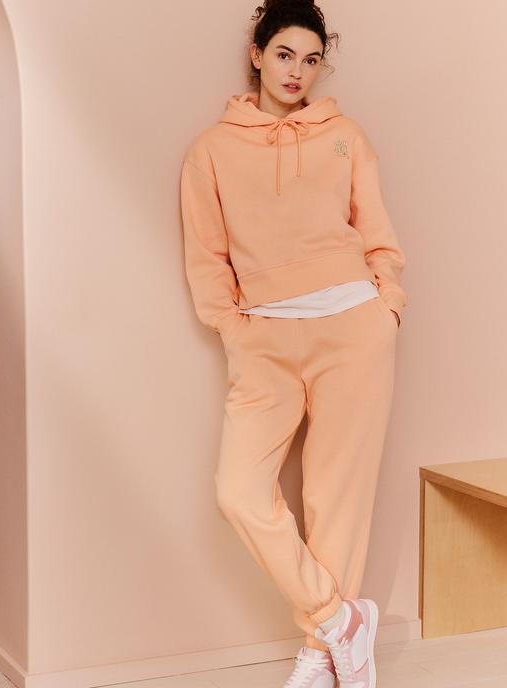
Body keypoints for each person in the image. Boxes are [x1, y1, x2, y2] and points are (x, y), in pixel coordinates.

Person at [179, 1, 407, 686]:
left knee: (336, 497)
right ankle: (339, 620)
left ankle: (320, 652)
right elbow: (206, 255)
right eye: (283, 55)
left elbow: (376, 231)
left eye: (310, 59)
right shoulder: (211, 150)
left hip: (353, 328)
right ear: (257, 55)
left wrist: (387, 305)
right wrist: (232, 328)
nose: (296, 72)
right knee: (239, 492)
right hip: (264, 339)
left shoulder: (346, 136)